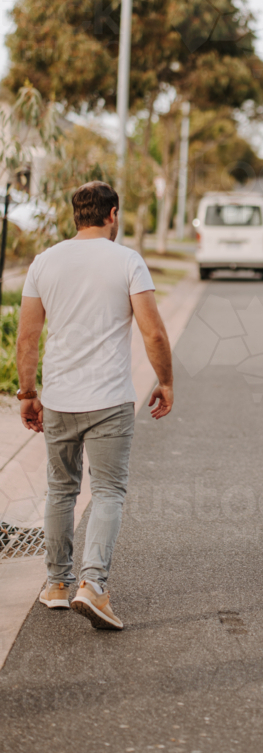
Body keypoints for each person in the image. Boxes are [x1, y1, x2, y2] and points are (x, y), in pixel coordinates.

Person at [16, 181, 174, 631]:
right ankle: (93, 585)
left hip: (60, 399)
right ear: (113, 214)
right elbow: (154, 333)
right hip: (109, 400)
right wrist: (165, 381)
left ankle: (57, 585)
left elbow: (28, 337)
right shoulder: (127, 260)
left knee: (61, 491)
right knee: (107, 492)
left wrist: (28, 393)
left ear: (75, 215)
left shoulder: (44, 262)